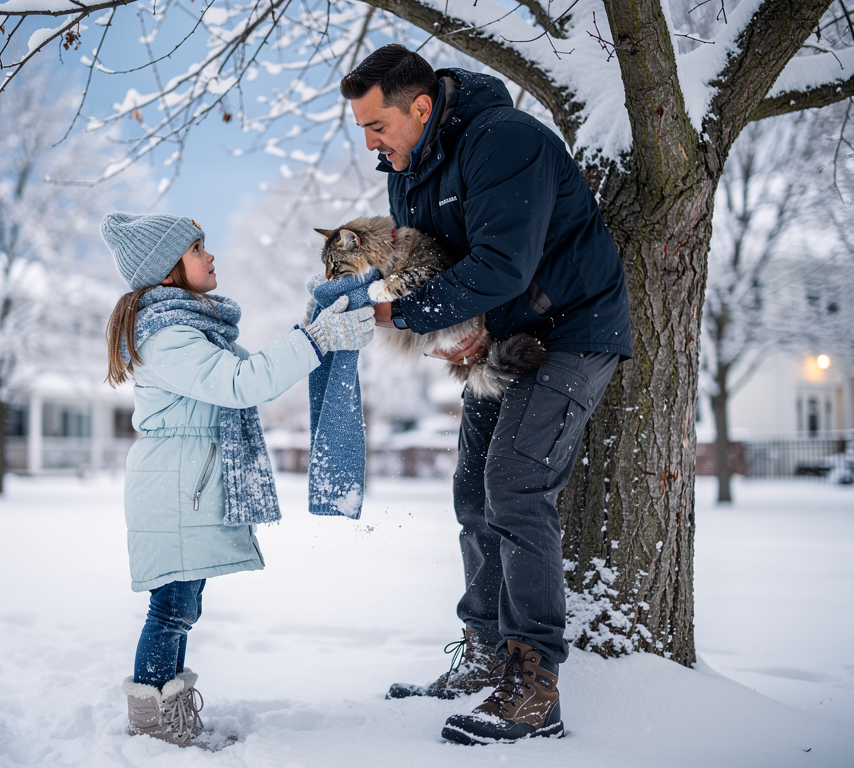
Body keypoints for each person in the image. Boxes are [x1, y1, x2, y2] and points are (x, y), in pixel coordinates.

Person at [339, 45, 633, 745]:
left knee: (514, 488)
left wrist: (395, 316)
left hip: (571, 330)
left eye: (377, 125)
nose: (371, 143)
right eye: (362, 130)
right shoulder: (407, 170)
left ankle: (535, 685)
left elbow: (503, 263)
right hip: (504, 339)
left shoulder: (506, 142)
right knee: (472, 496)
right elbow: (439, 263)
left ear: (420, 106)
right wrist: (460, 328)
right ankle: (486, 653)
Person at [101, 212, 374, 747]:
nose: (210, 256)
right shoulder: (169, 336)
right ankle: (155, 725)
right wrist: (317, 340)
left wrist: (313, 330)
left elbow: (264, 369)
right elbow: (243, 383)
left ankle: (168, 715)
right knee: (172, 607)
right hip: (177, 489)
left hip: (186, 484)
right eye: (197, 249)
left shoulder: (189, 328)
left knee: (181, 606)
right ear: (167, 273)